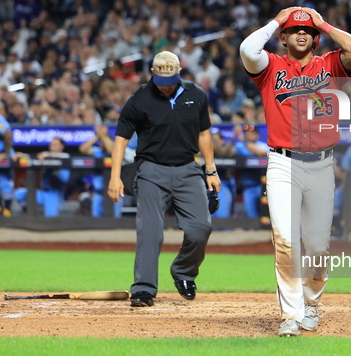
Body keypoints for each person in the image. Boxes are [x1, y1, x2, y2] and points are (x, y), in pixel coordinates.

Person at [239, 7, 351, 336]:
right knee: (286, 242)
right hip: (282, 163)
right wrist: (278, 19)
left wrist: (321, 21)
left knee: (318, 245)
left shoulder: (330, 64)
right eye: (294, 30)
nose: (301, 33)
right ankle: (291, 315)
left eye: (307, 30)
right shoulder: (270, 66)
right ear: (284, 37)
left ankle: (311, 303)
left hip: (322, 164)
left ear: (317, 37)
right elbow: (247, 50)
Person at [107, 51, 221, 307]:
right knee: (150, 231)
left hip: (188, 169)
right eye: (161, 79)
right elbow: (121, 140)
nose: (167, 85)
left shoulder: (196, 95)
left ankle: (183, 272)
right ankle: (143, 289)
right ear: (153, 75)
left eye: (171, 78)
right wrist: (115, 177)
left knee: (201, 227)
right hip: (151, 171)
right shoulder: (139, 99)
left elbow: (204, 134)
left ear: (179, 73)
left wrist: (211, 169)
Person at [14, 137, 71, 217]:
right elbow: (33, 160)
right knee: (19, 194)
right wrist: (21, 156)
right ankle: (26, 209)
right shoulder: (44, 156)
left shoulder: (65, 156)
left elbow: (60, 157)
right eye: (52, 144)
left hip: (55, 194)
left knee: (51, 219)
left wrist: (48, 155)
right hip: (43, 193)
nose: (53, 146)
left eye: (55, 144)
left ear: (61, 146)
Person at [79, 125, 122, 218]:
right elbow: (83, 149)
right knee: (96, 219)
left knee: (115, 219)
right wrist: (98, 137)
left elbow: (111, 149)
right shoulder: (98, 151)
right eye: (101, 142)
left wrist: (103, 135)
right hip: (99, 193)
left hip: (114, 193)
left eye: (104, 142)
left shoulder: (116, 152)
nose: (102, 144)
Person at [233, 124, 268, 218]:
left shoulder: (264, 145)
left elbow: (262, 153)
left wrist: (244, 141)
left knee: (266, 215)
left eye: (252, 133)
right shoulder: (240, 146)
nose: (249, 135)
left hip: (263, 186)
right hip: (248, 187)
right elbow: (244, 153)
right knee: (252, 216)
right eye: (247, 133)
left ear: (258, 135)